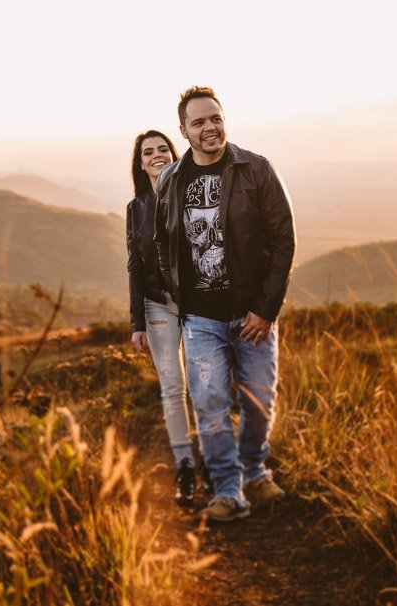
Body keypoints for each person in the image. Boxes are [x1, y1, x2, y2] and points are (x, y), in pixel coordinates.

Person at [153, 86, 296, 522]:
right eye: (198, 122)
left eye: (215, 118)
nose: (209, 127)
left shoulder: (256, 169)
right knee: (210, 402)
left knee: (258, 401)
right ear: (184, 131)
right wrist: (178, 300)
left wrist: (266, 309)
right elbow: (163, 244)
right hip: (201, 320)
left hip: (253, 315)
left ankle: (254, 471)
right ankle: (228, 489)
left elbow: (283, 240)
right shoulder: (171, 180)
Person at [126, 129, 199, 506]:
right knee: (173, 388)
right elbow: (135, 267)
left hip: (200, 303)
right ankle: (185, 466)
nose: (156, 155)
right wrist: (137, 322)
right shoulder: (136, 208)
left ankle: (220, 460)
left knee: (205, 386)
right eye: (148, 152)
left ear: (174, 153)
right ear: (140, 164)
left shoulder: (194, 194)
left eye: (162, 149)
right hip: (157, 306)